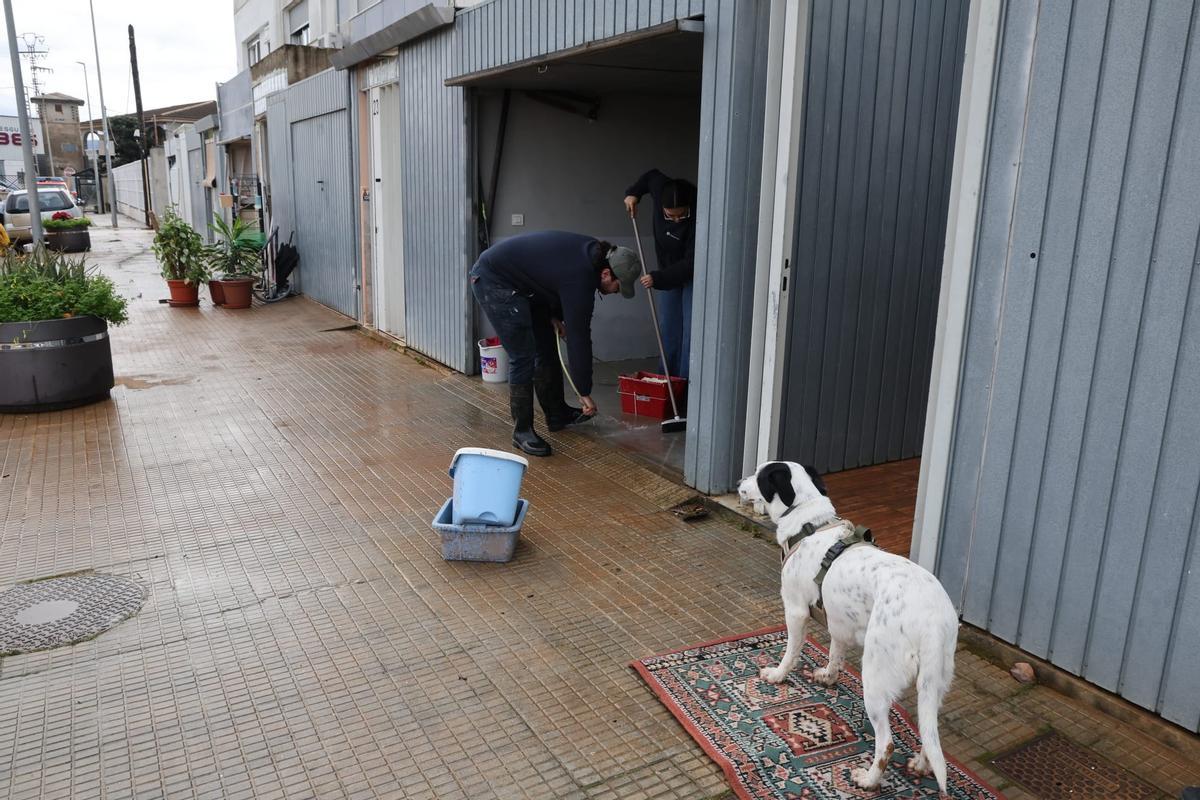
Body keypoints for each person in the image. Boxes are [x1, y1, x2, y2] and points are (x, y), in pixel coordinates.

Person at [469, 231, 642, 457]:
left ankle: (556, 413)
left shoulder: (590, 254)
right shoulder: (582, 275)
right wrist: (584, 391)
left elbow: (548, 278)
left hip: (523, 286)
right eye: (618, 287)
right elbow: (579, 337)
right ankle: (521, 432)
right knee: (523, 356)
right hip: (494, 280)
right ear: (607, 273)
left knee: (546, 347)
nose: (616, 292)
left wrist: (553, 315)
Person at [623, 169, 697, 380]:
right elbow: (650, 176)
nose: (675, 220)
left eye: (681, 215)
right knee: (669, 329)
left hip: (690, 273)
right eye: (670, 215)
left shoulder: (699, 215)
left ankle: (684, 385)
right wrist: (633, 193)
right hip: (667, 270)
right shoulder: (661, 188)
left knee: (689, 332)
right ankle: (665, 380)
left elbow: (691, 263)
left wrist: (658, 278)